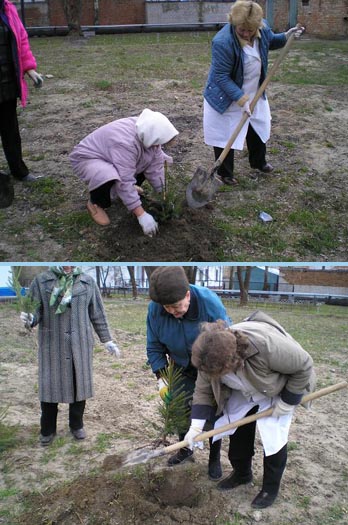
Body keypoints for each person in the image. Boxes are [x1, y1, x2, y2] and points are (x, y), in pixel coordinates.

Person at [184, 310, 316, 509]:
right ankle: (242, 474)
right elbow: (202, 391)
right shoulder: (207, 356)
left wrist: (288, 401)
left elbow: (304, 365)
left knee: (273, 436)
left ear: (230, 362)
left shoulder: (265, 346)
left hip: (274, 385)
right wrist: (195, 427)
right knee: (235, 426)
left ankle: (270, 488)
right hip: (243, 386)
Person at [203, 0, 304, 185]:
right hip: (225, 95)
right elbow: (221, 77)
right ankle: (225, 173)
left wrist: (286, 36)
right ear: (234, 23)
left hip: (254, 90)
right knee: (225, 133)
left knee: (257, 126)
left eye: (251, 30)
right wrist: (241, 100)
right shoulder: (222, 42)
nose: (246, 33)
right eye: (242, 29)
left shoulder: (262, 29)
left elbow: (270, 41)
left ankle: (259, 162)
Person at [146, 266, 232, 480]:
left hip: (208, 367)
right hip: (179, 366)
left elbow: (224, 342)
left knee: (212, 411)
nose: (172, 312)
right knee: (181, 408)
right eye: (167, 307)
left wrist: (214, 372)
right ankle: (185, 449)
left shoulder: (209, 304)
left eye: (176, 306)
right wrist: (162, 380)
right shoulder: (155, 310)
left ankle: (214, 457)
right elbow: (154, 346)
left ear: (187, 295)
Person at [20, 266, 121, 446]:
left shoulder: (87, 282)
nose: (68, 266)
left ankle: (76, 425)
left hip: (80, 344)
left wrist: (107, 340)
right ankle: (47, 429)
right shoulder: (42, 281)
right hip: (52, 344)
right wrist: (30, 318)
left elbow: (97, 313)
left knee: (78, 385)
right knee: (50, 387)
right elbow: (35, 311)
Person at [69, 108, 179, 235]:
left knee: (147, 160)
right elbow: (124, 179)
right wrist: (141, 214)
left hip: (113, 157)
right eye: (158, 144)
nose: (158, 147)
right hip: (89, 158)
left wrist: (163, 196)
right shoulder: (125, 143)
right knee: (107, 175)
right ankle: (96, 203)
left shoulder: (148, 132)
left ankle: (124, 193)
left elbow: (156, 169)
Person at [0, 0, 43, 189]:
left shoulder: (8, 9)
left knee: (11, 131)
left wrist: (30, 69)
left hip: (7, 82)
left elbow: (21, 40)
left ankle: (19, 171)